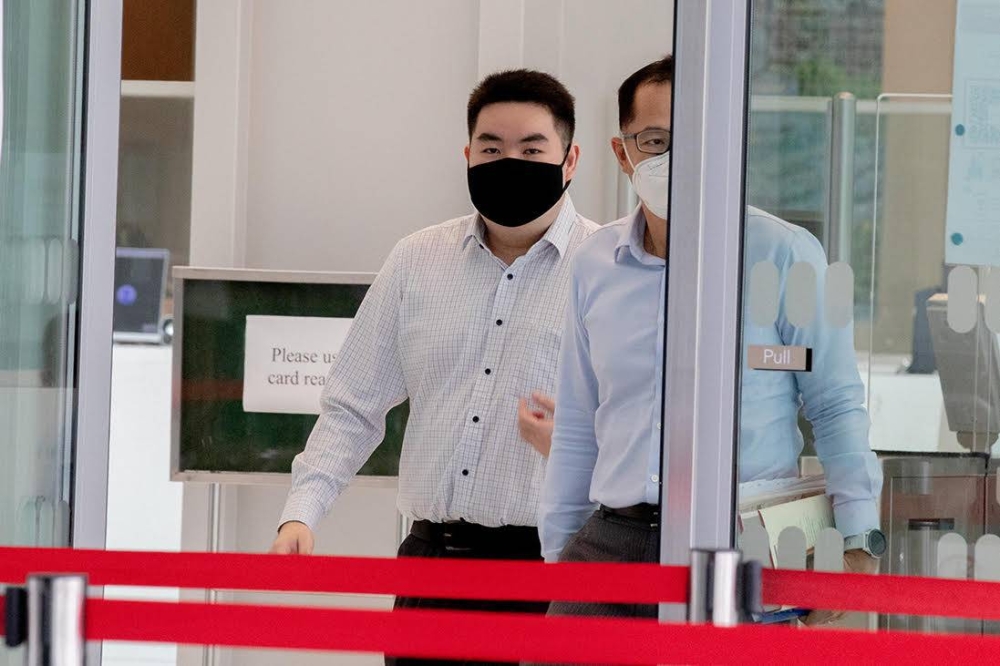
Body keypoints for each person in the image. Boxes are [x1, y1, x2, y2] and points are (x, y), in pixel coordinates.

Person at [536, 56, 883, 623]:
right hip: (613, 543)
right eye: (656, 140)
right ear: (622, 154)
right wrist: (559, 554)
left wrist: (856, 543)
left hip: (741, 538)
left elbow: (836, 403)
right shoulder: (594, 264)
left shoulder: (788, 255)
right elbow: (579, 420)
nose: (680, 159)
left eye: (699, 138)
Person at [269, 69, 598, 666]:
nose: (509, 162)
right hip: (433, 564)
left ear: (569, 159)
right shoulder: (417, 259)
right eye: (491, 149)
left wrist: (576, 446)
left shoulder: (607, 270)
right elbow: (353, 405)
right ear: (467, 155)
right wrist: (303, 511)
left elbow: (649, 434)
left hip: (557, 569)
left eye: (532, 149)